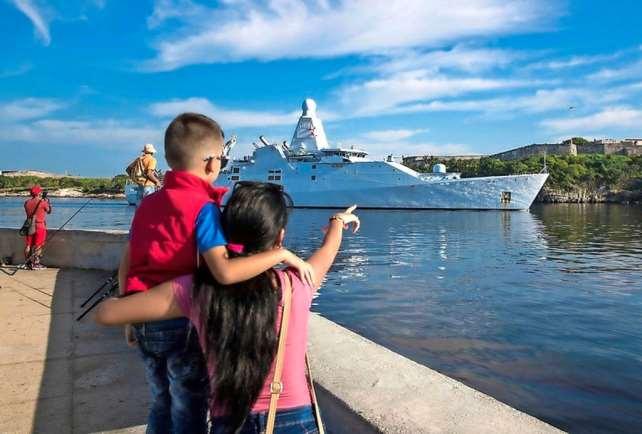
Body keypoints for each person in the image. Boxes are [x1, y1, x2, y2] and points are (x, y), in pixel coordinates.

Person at [96, 182, 360, 433]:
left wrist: (123, 300)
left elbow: (106, 313)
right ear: (280, 236)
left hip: (230, 424)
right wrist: (337, 221)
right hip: (294, 420)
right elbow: (329, 249)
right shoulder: (297, 284)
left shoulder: (195, 290)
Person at [119, 114, 315, 434]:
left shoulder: (148, 204)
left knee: (160, 400)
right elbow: (223, 271)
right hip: (182, 320)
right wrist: (278, 254)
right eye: (223, 158)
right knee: (188, 405)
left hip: (144, 318)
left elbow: (128, 259)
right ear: (211, 164)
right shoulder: (204, 207)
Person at [23, 185, 52, 270]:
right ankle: (36, 263)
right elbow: (49, 211)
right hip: (40, 225)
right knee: (38, 245)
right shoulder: (43, 203)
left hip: (29, 225)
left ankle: (28, 263)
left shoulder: (26, 203)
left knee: (28, 245)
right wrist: (47, 203)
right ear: (39, 193)